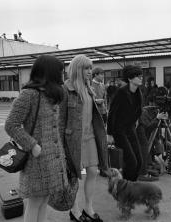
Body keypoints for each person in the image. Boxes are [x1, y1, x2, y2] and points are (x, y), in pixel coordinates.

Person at [5, 55, 67, 222]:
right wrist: (32, 145)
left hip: (52, 159)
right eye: (60, 72)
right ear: (50, 72)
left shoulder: (51, 94)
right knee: (35, 202)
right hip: (37, 160)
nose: (63, 75)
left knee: (44, 200)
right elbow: (11, 124)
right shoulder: (29, 95)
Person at [60, 55, 108, 222]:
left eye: (91, 68)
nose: (90, 71)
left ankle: (88, 207)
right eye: (87, 68)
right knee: (74, 176)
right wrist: (61, 147)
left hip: (90, 137)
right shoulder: (66, 90)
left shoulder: (89, 88)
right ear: (77, 69)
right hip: (73, 140)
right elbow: (60, 121)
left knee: (93, 171)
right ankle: (75, 210)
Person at [107, 65, 143, 181]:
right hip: (119, 131)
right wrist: (109, 134)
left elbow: (138, 109)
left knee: (139, 160)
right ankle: (127, 186)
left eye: (141, 76)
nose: (141, 78)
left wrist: (135, 120)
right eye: (138, 76)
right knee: (131, 161)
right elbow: (112, 113)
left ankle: (131, 183)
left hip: (130, 128)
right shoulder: (121, 93)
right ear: (130, 79)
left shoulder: (138, 93)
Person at [136, 87, 168, 181]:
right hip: (144, 138)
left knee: (161, 143)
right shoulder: (144, 112)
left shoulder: (153, 110)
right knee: (146, 146)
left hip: (150, 138)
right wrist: (157, 118)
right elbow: (148, 129)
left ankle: (150, 163)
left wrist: (162, 118)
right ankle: (145, 169)